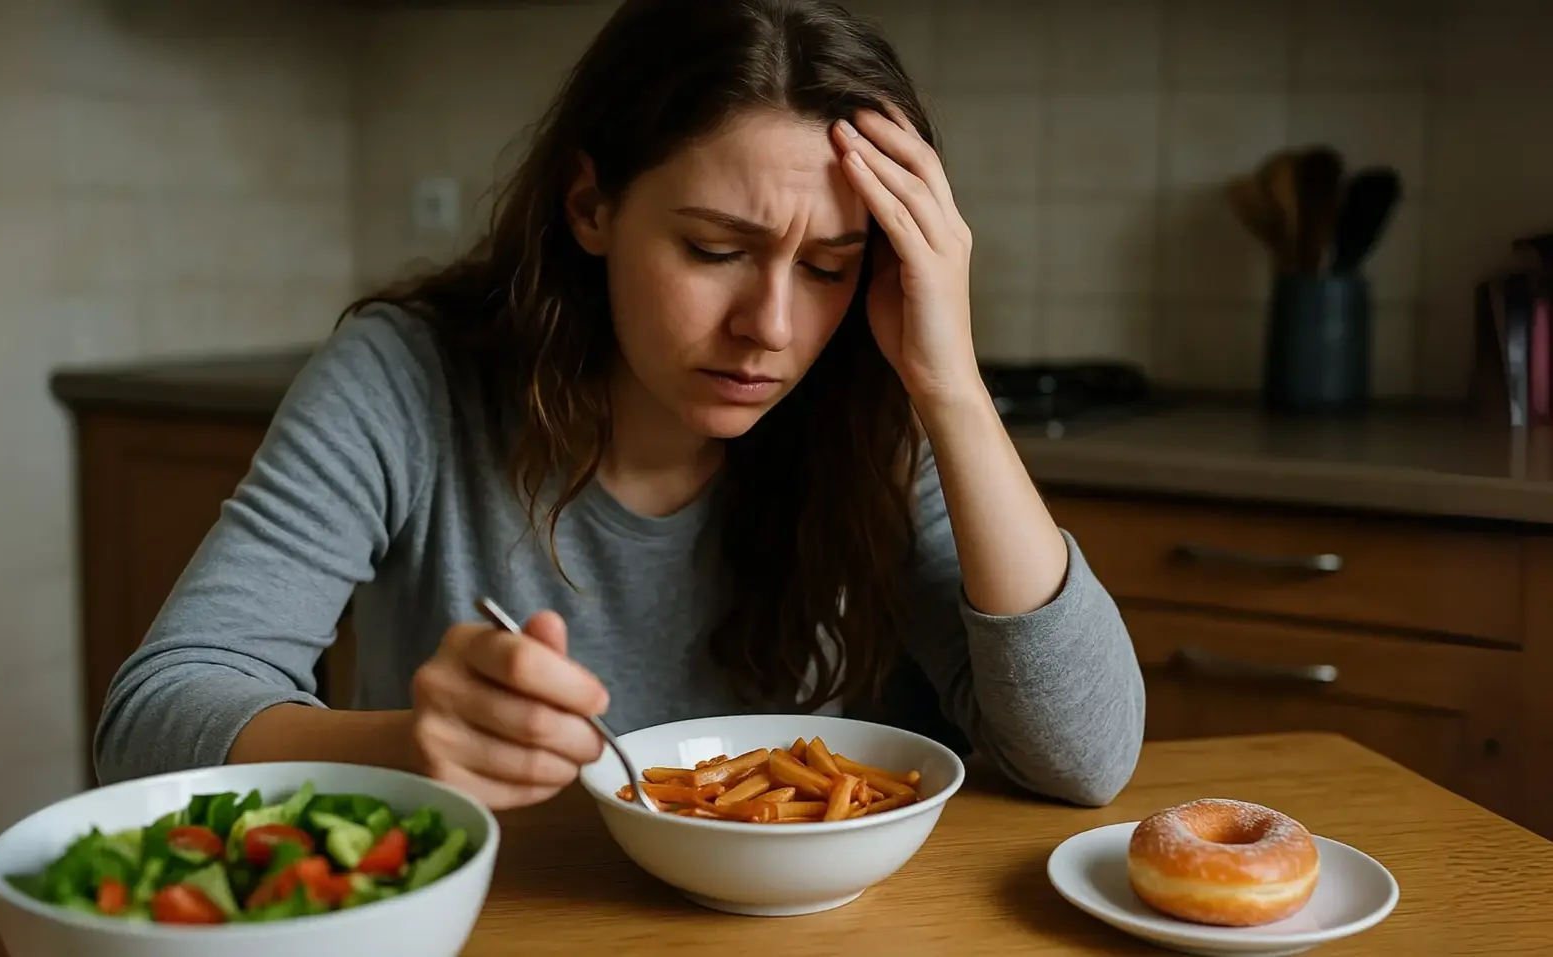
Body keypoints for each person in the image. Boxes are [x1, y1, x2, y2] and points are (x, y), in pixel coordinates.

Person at [94, 0, 1145, 811]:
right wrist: (406, 746)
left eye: (829, 266)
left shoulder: (870, 406)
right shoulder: (408, 379)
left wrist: (950, 387)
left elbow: (1083, 759)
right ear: (590, 206)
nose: (770, 326)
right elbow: (147, 721)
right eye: (714, 251)